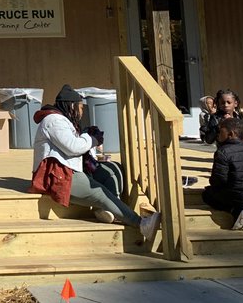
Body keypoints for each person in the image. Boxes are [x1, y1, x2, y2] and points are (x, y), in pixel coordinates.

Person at [32, 84, 161, 242]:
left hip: (67, 170)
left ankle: (107, 210)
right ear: (71, 106)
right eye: (80, 107)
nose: (81, 111)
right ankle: (141, 224)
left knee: (112, 171)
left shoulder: (62, 120)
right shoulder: (54, 121)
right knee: (100, 192)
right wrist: (91, 139)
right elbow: (73, 147)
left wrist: (87, 135)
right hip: (58, 177)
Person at [202, 116, 243, 230]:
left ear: (231, 134)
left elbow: (219, 180)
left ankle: (235, 211)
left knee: (207, 194)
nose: (218, 134)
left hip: (235, 198)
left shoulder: (223, 152)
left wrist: (212, 186)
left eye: (221, 131)